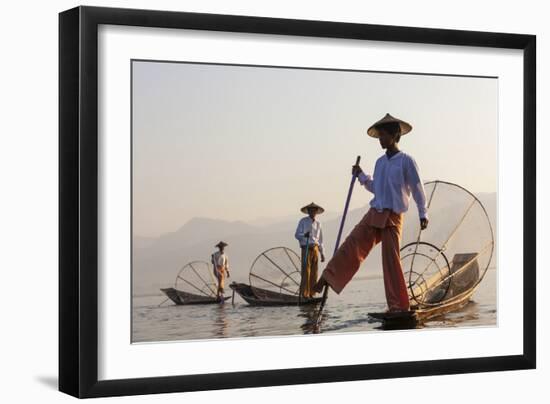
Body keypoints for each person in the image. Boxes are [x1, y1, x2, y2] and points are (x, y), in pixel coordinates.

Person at [314, 113, 429, 312]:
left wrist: (423, 213)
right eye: (379, 136)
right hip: (375, 211)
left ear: (395, 136)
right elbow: (377, 187)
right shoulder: (380, 162)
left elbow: (417, 188)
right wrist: (360, 175)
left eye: (383, 135)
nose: (380, 140)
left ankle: (399, 306)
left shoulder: (406, 161)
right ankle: (328, 277)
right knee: (352, 244)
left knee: (391, 261)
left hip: (393, 216)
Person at [295, 202, 325, 299]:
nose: (312, 212)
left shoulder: (318, 223)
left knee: (314, 272)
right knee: (306, 271)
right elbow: (297, 235)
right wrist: (304, 235)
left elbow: (320, 240)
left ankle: (312, 293)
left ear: (316, 212)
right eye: (310, 210)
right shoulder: (303, 221)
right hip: (306, 248)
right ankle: (304, 294)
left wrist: (322, 253)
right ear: (308, 211)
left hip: (315, 248)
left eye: (314, 210)